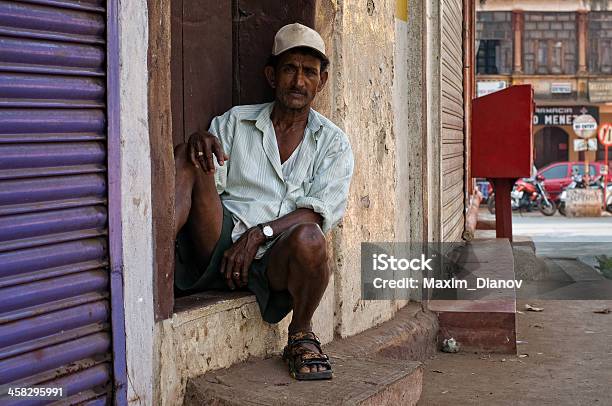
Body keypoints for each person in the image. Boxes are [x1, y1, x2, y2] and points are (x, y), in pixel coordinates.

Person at [172, 23, 354, 380]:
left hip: (275, 262)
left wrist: (259, 234)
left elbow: (317, 214)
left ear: (322, 81)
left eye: (309, 73)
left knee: (311, 239)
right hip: (218, 244)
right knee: (190, 152)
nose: (299, 82)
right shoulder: (236, 122)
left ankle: (301, 334)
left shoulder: (333, 143)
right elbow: (206, 179)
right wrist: (199, 143)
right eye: (290, 69)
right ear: (272, 75)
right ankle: (152, 257)